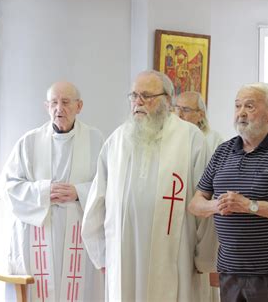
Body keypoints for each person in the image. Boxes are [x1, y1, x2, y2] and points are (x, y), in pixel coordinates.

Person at [82, 70, 212, 302]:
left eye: (146, 96)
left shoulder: (191, 139)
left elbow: (205, 202)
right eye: (133, 96)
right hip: (124, 253)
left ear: (167, 100)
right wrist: (102, 254)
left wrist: (204, 258)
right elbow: (97, 200)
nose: (138, 103)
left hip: (176, 254)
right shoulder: (117, 141)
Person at [189, 83, 268, 302]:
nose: (241, 113)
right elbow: (195, 203)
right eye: (238, 106)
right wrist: (217, 205)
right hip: (230, 268)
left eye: (250, 106)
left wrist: (250, 205)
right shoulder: (223, 151)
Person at [0, 81, 105, 301]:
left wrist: (79, 192)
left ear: (79, 106)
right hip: (40, 230)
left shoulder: (97, 141)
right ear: (46, 106)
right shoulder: (29, 142)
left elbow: (109, 186)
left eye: (66, 102)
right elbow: (9, 187)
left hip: (80, 230)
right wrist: (43, 191)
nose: (60, 109)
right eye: (54, 103)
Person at [174, 91, 223, 302]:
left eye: (185, 109)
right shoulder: (173, 139)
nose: (179, 114)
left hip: (203, 215)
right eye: (176, 108)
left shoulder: (214, 140)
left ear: (200, 114)